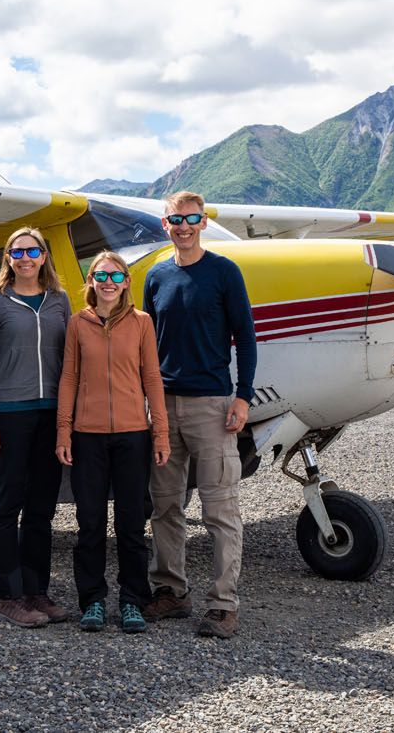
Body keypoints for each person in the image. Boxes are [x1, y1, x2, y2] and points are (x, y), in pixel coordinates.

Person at [142, 191, 257, 639]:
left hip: (212, 406)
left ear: (204, 222)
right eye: (176, 219)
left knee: (219, 509)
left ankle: (224, 604)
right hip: (164, 408)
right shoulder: (155, 277)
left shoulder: (224, 272)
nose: (184, 226)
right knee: (165, 506)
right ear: (165, 224)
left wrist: (243, 397)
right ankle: (170, 590)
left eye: (192, 218)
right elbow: (146, 347)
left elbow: (245, 338)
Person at [56, 251, 170, 634]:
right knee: (89, 523)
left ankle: (132, 601)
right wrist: (63, 431)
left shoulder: (141, 323)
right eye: (101, 275)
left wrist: (161, 432)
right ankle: (92, 601)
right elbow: (69, 378)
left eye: (116, 276)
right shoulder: (77, 324)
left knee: (131, 523)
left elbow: (152, 379)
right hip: (87, 437)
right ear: (91, 281)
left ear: (125, 283)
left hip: (132, 436)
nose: (108, 282)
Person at [0, 226, 71, 628]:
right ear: (8, 258)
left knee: (41, 510)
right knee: (7, 505)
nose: (26, 257)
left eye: (33, 251)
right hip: (12, 414)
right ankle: (6, 597)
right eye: (18, 251)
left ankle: (36, 593)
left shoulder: (59, 302)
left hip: (51, 414)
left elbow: (71, 361)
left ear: (44, 256)